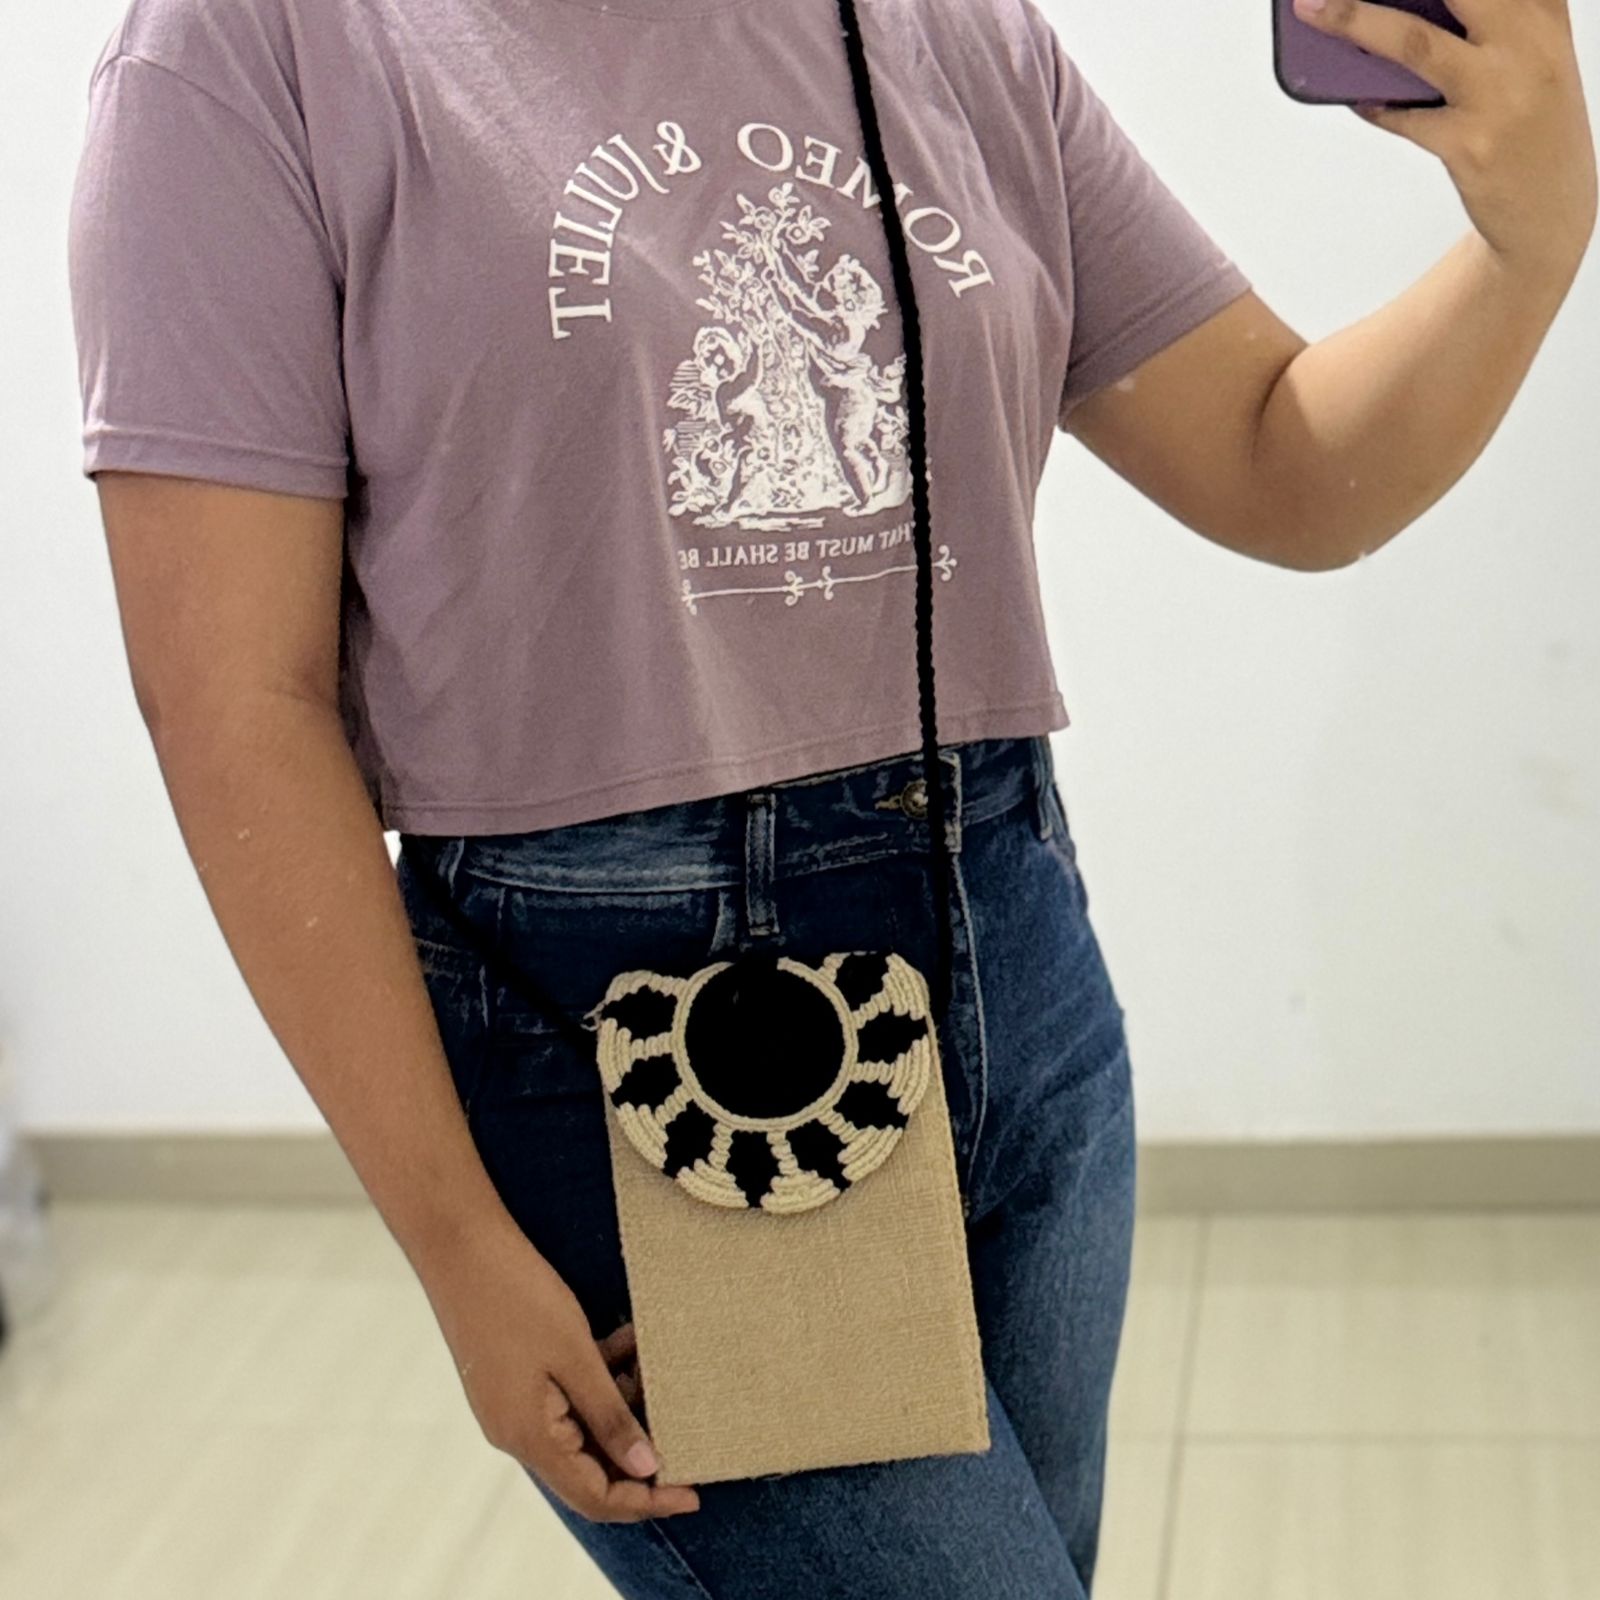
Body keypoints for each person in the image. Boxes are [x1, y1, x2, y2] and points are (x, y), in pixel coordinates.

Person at [66, 0, 1594, 1594]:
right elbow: (237, 703)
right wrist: (454, 1241)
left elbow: (1281, 459)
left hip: (1012, 966)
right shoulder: (254, 50)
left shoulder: (951, 30)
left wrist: (1532, 239)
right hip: (641, 1036)